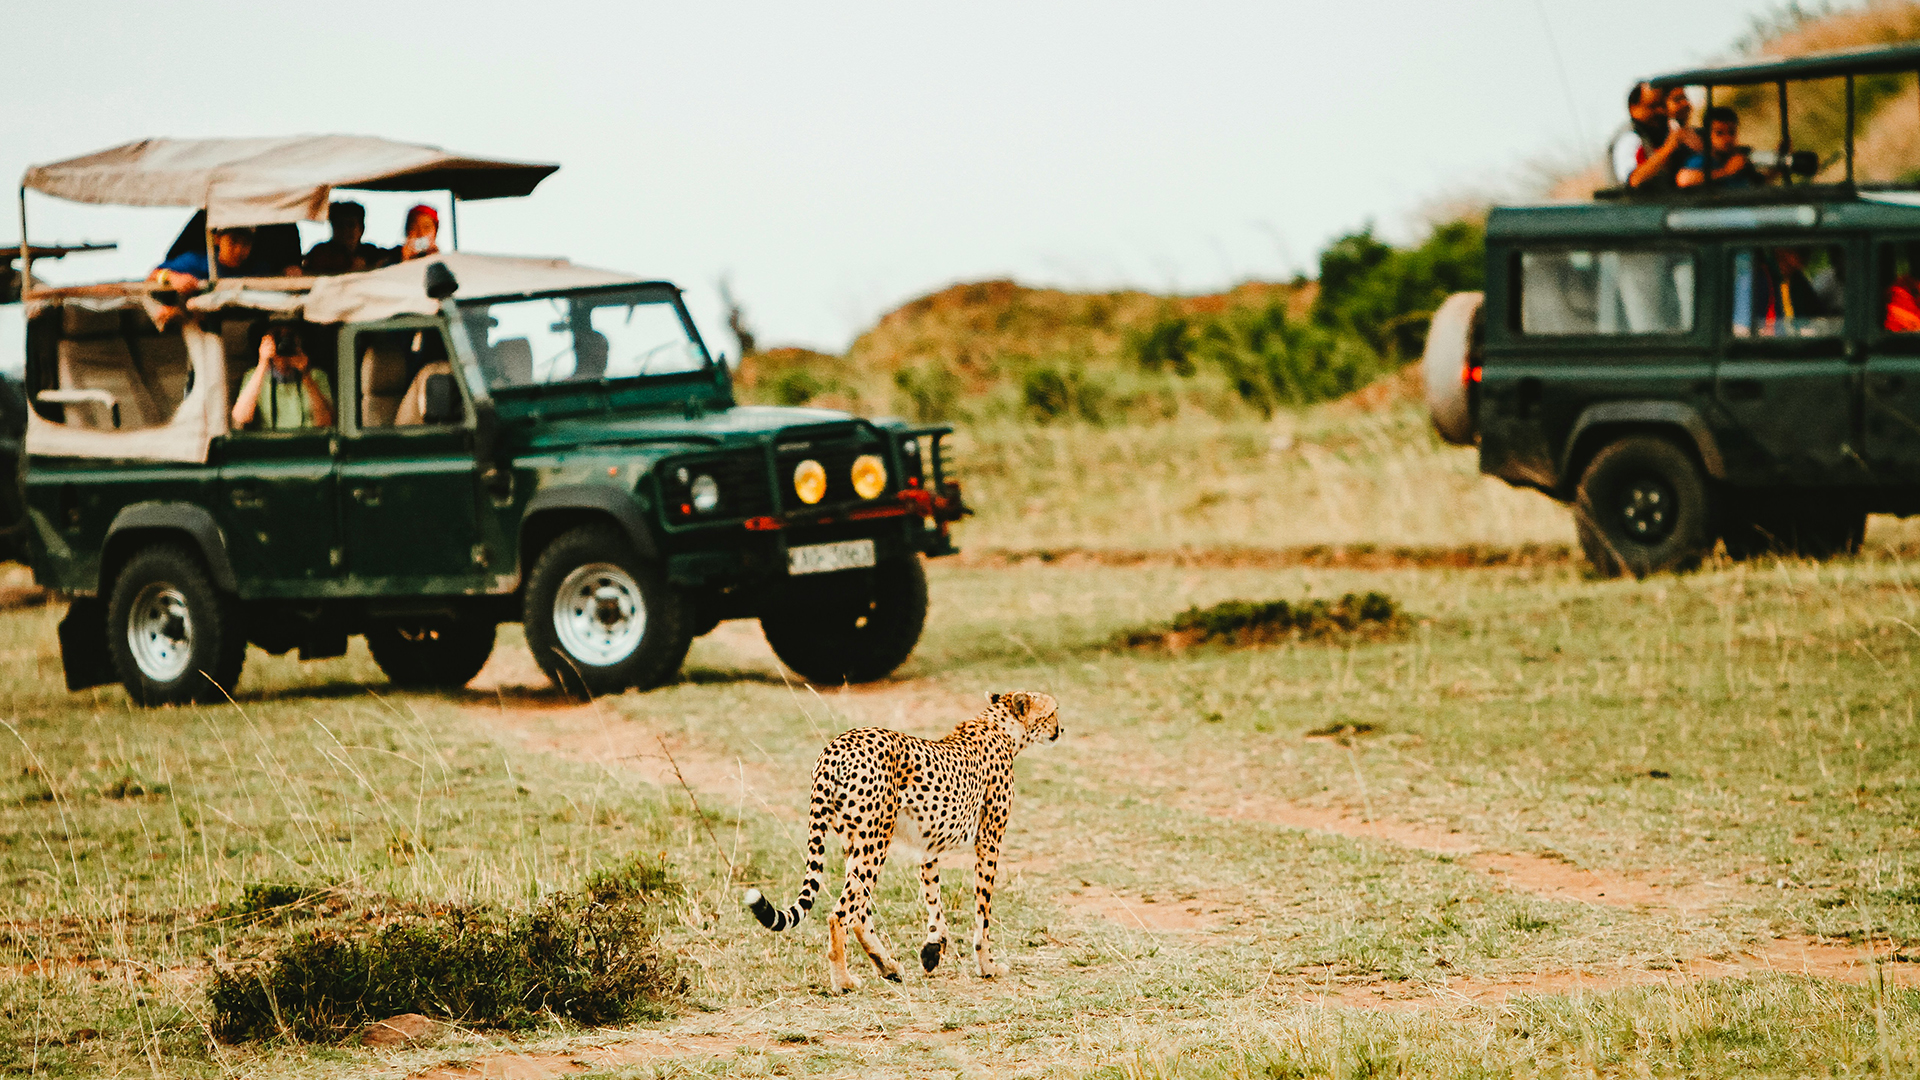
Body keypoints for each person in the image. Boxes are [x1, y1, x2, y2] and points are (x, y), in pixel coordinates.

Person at [232, 326, 334, 430]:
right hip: (269, 439)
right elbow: (240, 418)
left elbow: (326, 422)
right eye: (277, 337)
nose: (284, 342)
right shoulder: (254, 376)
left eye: (289, 337)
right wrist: (262, 364)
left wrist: (306, 375)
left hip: (308, 438)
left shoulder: (317, 375)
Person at [149, 227, 260, 291]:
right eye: (233, 241)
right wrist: (173, 277)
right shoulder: (196, 261)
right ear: (217, 239)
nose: (239, 250)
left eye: (246, 243)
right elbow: (153, 274)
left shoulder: (258, 269)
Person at [1677, 107, 1759, 189]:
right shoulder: (1702, 161)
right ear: (1708, 136)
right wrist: (1726, 171)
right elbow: (1684, 180)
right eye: (1719, 133)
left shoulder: (1740, 160)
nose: (1727, 139)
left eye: (1731, 132)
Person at [302, 202, 388, 275]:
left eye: (350, 225)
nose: (345, 230)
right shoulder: (320, 253)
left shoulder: (370, 252)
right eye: (340, 225)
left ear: (361, 229)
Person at [1610, 83, 1671, 186]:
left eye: (1662, 105)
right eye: (1652, 106)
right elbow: (1634, 179)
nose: (1660, 111)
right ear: (1634, 109)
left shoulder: (1662, 132)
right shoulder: (1629, 138)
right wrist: (1670, 148)